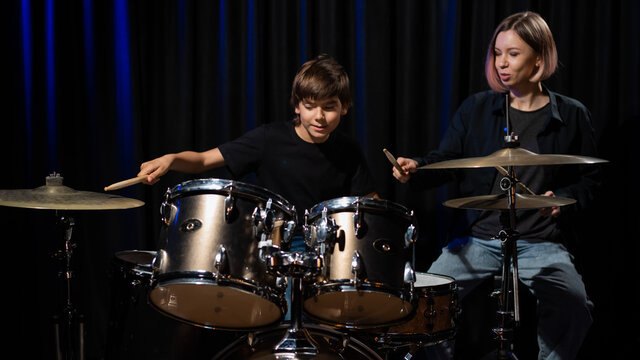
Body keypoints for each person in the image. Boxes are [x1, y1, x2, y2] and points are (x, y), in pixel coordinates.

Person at [392, 12, 599, 360]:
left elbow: (592, 180)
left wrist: (565, 201)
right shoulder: (476, 108)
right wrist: (417, 168)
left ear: (539, 57)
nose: (502, 63)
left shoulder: (572, 114)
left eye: (513, 54)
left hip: (541, 241)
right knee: (426, 303)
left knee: (574, 305)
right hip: (479, 237)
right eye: (497, 53)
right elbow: (446, 160)